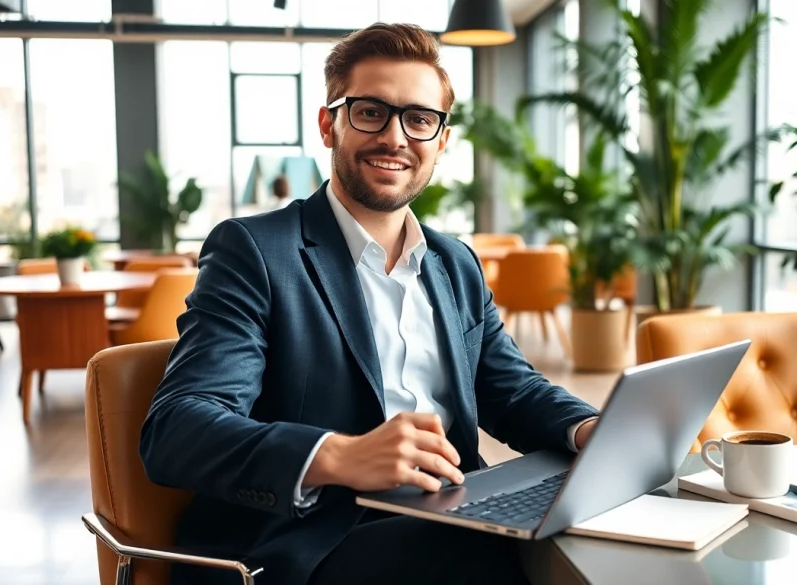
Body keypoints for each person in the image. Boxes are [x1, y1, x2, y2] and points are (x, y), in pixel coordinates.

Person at [138, 22, 600, 585]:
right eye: (371, 112)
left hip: (449, 508)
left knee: (590, 534)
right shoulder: (255, 251)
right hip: (316, 538)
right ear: (329, 124)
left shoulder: (455, 262)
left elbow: (510, 389)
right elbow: (178, 428)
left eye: (419, 119)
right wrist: (336, 455)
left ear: (442, 140)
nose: (396, 137)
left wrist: (588, 429)